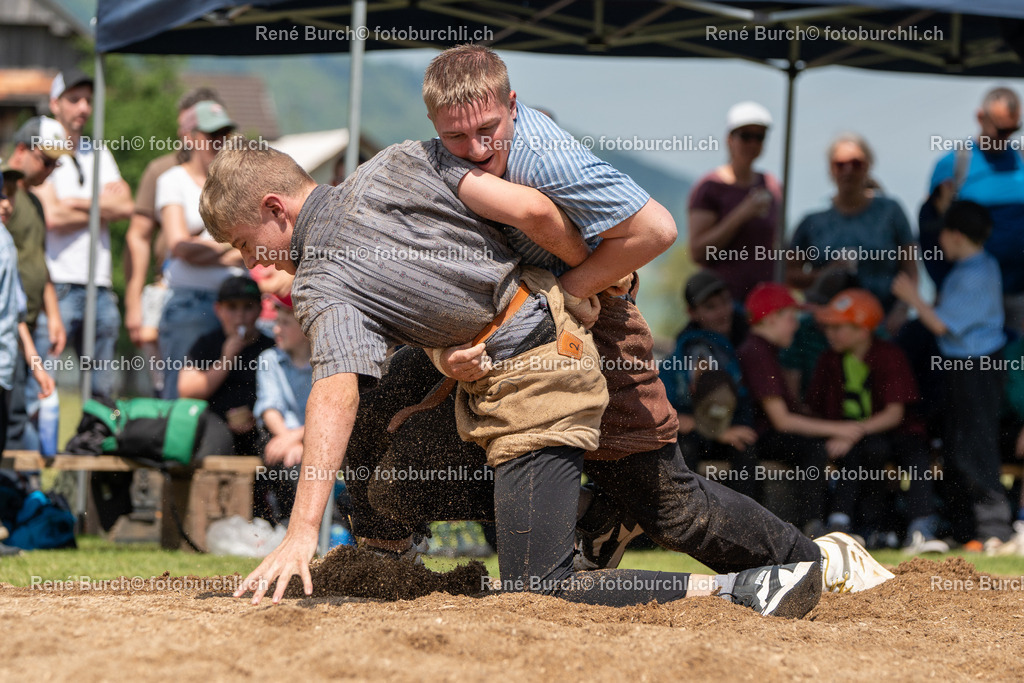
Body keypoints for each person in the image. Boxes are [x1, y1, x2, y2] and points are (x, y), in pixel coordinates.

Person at [341, 45, 889, 597]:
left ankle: (815, 559)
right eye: (457, 136)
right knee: (389, 423)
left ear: (513, 104)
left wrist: (570, 290)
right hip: (514, 344)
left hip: (599, 336)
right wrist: (441, 349)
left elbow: (657, 229)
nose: (478, 150)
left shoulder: (545, 159)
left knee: (669, 507)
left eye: (489, 129)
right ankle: (390, 556)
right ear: (433, 124)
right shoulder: (438, 162)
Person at [206, 141, 823, 617]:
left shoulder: (320, 277)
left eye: (243, 243)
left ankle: (754, 582)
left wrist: (301, 532)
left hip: (545, 363)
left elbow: (334, 387)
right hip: (563, 326)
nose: (249, 261)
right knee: (390, 437)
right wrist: (576, 284)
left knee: (565, 567)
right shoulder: (397, 160)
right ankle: (414, 551)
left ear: (275, 209)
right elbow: (527, 214)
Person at [892, 200, 1014, 551]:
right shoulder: (973, 266)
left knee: (976, 446)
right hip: (962, 368)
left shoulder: (976, 273)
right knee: (957, 446)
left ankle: (994, 530)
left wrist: (912, 297)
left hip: (977, 367)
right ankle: (966, 529)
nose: (939, 241)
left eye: (943, 233)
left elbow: (941, 325)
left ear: (956, 235)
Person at [806, 289, 947, 553]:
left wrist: (854, 431)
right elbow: (815, 408)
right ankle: (839, 526)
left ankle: (922, 529)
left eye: (838, 327)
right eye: (829, 327)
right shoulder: (828, 360)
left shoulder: (889, 355)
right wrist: (844, 434)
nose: (830, 333)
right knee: (862, 451)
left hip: (894, 432)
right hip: (853, 438)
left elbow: (895, 414)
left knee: (916, 454)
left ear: (863, 331)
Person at [736, 282, 878, 540]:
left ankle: (840, 523)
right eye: (791, 318)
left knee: (842, 447)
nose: (796, 325)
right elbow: (781, 421)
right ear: (772, 318)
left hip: (767, 436)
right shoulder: (757, 352)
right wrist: (840, 429)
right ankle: (812, 527)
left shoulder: (765, 350)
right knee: (813, 448)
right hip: (758, 439)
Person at [32, 68, 133, 399]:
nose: (83, 108)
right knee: (43, 388)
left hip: (99, 286)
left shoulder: (98, 152)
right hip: (57, 284)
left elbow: (126, 206)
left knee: (101, 392)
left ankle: (94, 435)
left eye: (88, 100)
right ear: (54, 103)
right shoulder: (42, 148)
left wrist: (75, 202)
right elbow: (52, 216)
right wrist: (101, 206)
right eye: (74, 99)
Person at [124, 87, 225, 394]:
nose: (185, 134)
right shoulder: (163, 171)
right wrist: (133, 302)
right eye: (185, 126)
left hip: (224, 294)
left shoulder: (231, 172)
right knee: (171, 388)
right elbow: (139, 236)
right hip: (173, 289)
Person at [155, 100, 246, 399]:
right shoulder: (172, 180)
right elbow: (181, 248)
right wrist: (232, 245)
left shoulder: (237, 185)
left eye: (224, 135)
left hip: (238, 305)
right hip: (190, 304)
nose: (219, 142)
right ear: (191, 137)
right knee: (179, 401)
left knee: (232, 398)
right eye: (212, 135)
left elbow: (251, 250)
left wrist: (202, 247)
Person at [786, 133, 917, 335]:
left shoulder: (890, 212)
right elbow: (788, 275)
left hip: (883, 324)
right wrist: (827, 273)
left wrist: (902, 309)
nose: (848, 170)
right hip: (829, 329)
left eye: (856, 164)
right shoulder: (812, 223)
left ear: (868, 166)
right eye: (840, 164)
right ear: (831, 170)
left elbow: (910, 269)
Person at [921, 87, 1024, 331]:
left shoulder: (1021, 158)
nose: (1005, 136)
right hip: (969, 292)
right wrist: (942, 284)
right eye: (1000, 129)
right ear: (980, 117)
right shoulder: (954, 165)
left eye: (1013, 129)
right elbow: (930, 229)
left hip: (1019, 292)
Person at [660, 270, 758, 501]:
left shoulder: (740, 334)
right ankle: (688, 514)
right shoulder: (695, 350)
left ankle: (745, 518)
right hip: (696, 433)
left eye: (725, 301)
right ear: (692, 313)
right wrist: (719, 431)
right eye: (711, 307)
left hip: (723, 428)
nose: (723, 311)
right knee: (685, 449)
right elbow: (667, 415)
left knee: (746, 444)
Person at [2, 118, 69, 449]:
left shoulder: (36, 203)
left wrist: (53, 315)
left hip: (24, 323)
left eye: (56, 164)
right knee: (13, 416)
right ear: (21, 150)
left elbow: (39, 262)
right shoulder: (6, 196)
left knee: (21, 412)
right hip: (9, 326)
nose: (51, 170)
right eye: (46, 161)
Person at [689, 101, 780, 301]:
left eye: (759, 137)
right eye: (746, 136)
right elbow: (698, 252)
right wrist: (741, 214)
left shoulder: (772, 185)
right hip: (723, 302)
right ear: (730, 139)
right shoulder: (710, 188)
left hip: (764, 300)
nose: (752, 143)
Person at [178, 275, 274, 456]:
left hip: (261, 427)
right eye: (232, 307)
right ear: (218, 310)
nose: (240, 316)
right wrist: (226, 359)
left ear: (260, 309)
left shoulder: (271, 348)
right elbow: (187, 391)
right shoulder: (207, 344)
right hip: (216, 425)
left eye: (248, 307)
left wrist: (258, 417)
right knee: (217, 443)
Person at [253, 293, 311, 521]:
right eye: (276, 322)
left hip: (316, 436)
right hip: (281, 437)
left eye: (285, 323)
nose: (276, 329)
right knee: (285, 458)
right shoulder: (269, 359)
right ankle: (289, 521)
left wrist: (299, 438)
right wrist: (288, 440)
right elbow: (269, 408)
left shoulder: (325, 364)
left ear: (306, 327)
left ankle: (333, 526)